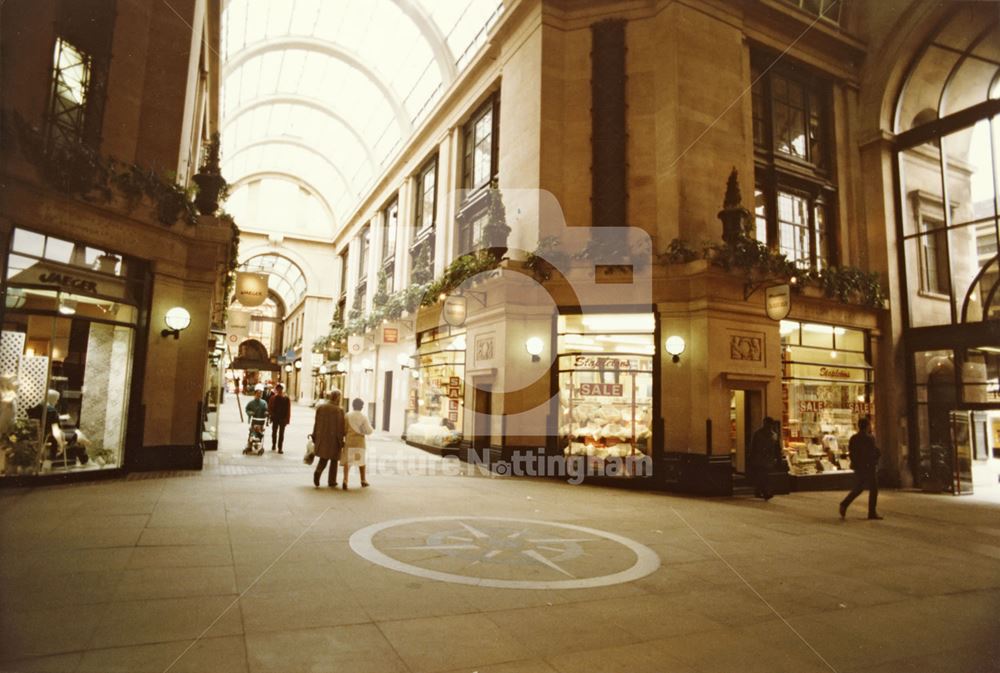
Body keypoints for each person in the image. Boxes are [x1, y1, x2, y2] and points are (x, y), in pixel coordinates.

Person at [839, 416, 883, 520]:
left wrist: (855, 462)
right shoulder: (869, 438)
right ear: (867, 426)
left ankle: (844, 504)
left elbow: (851, 452)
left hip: (859, 466)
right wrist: (876, 457)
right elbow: (874, 452)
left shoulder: (853, 438)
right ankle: (871, 512)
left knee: (859, 487)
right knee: (873, 489)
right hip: (869, 466)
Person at [312, 389, 346, 488]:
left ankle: (318, 472)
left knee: (324, 457)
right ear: (338, 398)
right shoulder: (339, 410)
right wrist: (342, 439)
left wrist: (314, 435)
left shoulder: (321, 407)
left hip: (322, 437)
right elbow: (341, 426)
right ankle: (332, 481)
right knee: (334, 460)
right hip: (334, 438)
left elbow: (316, 423)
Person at [342, 397, 374, 489]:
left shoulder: (347, 415)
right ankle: (363, 480)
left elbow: (344, 429)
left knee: (348, 462)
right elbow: (369, 430)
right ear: (362, 407)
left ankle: (345, 480)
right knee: (361, 462)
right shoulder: (363, 417)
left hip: (349, 441)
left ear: (352, 405)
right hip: (360, 442)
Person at [748, 416, 778, 500]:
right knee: (764, 476)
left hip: (762, 458)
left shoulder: (760, 433)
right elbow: (774, 447)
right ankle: (765, 492)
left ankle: (760, 491)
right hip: (763, 458)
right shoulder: (771, 434)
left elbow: (753, 446)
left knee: (763, 475)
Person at [267, 383, 291, 453]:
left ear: (282, 389)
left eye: (280, 389)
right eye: (278, 389)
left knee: (281, 434)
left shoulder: (286, 399)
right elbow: (269, 408)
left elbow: (288, 410)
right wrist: (271, 415)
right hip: (275, 418)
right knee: (274, 432)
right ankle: (274, 444)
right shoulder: (273, 398)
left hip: (282, 419)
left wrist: (287, 420)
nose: (279, 390)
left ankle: (280, 447)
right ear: (276, 390)